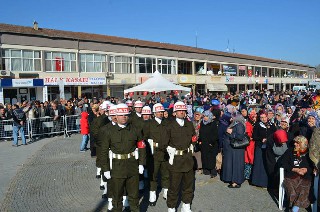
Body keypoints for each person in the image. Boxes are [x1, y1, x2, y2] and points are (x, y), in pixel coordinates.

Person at [100, 103, 146, 212]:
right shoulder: (108, 131)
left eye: (126, 114)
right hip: (117, 167)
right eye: (121, 115)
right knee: (117, 196)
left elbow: (141, 147)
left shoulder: (135, 129)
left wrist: (141, 163)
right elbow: (103, 151)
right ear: (115, 116)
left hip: (132, 165)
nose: (124, 117)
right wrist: (105, 169)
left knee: (134, 196)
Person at [166, 101, 196, 212]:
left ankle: (186, 204)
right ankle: (171, 207)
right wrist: (168, 150)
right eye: (179, 111)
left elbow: (193, 138)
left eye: (184, 110)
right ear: (174, 113)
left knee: (188, 185)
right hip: (176, 160)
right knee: (174, 186)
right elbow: (164, 142)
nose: (182, 112)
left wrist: (193, 144)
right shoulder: (169, 126)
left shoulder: (189, 124)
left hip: (187, 158)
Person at [143, 103, 169, 206]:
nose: (160, 114)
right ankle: (152, 194)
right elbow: (144, 138)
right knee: (153, 175)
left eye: (162, 112)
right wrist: (151, 143)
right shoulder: (148, 124)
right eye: (158, 112)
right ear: (154, 113)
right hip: (154, 154)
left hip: (166, 153)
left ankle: (166, 191)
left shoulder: (167, 123)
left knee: (166, 174)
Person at [282, 136, 314, 212]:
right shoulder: (289, 151)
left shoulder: (308, 153)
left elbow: (311, 166)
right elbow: (283, 164)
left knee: (304, 188)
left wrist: (306, 169)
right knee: (292, 190)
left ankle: (295, 207)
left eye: (297, 143)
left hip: (304, 176)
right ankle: (296, 205)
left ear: (303, 144)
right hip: (291, 175)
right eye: (295, 142)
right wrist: (295, 169)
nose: (295, 144)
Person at [251, 109, 277, 188]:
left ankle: (266, 182)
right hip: (260, 146)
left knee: (266, 164)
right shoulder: (258, 125)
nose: (263, 119)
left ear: (267, 116)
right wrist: (261, 139)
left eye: (264, 117)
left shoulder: (272, 125)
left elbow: (274, 135)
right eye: (261, 117)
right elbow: (254, 136)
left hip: (268, 147)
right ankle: (256, 181)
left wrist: (269, 140)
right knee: (259, 164)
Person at [221, 112, 246, 188]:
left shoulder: (239, 125)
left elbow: (240, 137)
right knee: (233, 164)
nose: (230, 119)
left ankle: (236, 182)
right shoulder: (236, 124)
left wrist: (231, 133)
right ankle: (232, 179)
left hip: (236, 149)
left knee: (236, 165)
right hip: (233, 149)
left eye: (232, 117)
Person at [199, 110, 219, 178]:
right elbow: (201, 132)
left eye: (206, 116)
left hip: (211, 143)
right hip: (204, 143)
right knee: (204, 156)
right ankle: (206, 169)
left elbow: (215, 134)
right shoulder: (202, 123)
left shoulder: (213, 123)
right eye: (204, 116)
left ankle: (212, 170)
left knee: (211, 157)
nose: (205, 118)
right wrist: (200, 140)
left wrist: (211, 142)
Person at [192, 107, 204, 173]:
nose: (196, 116)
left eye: (198, 115)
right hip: (194, 139)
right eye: (195, 115)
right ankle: (195, 166)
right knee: (194, 153)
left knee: (199, 153)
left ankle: (200, 166)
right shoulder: (192, 122)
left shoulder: (203, 122)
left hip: (200, 139)